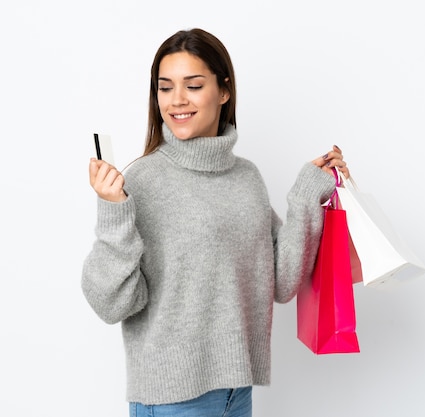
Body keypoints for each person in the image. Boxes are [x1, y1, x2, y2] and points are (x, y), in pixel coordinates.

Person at [82, 28, 349, 417]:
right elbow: (111, 303)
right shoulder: (140, 180)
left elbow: (283, 281)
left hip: (236, 395)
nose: (177, 101)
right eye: (165, 88)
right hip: (171, 399)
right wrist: (112, 212)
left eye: (192, 85)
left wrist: (308, 193)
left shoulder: (246, 178)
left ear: (223, 91)